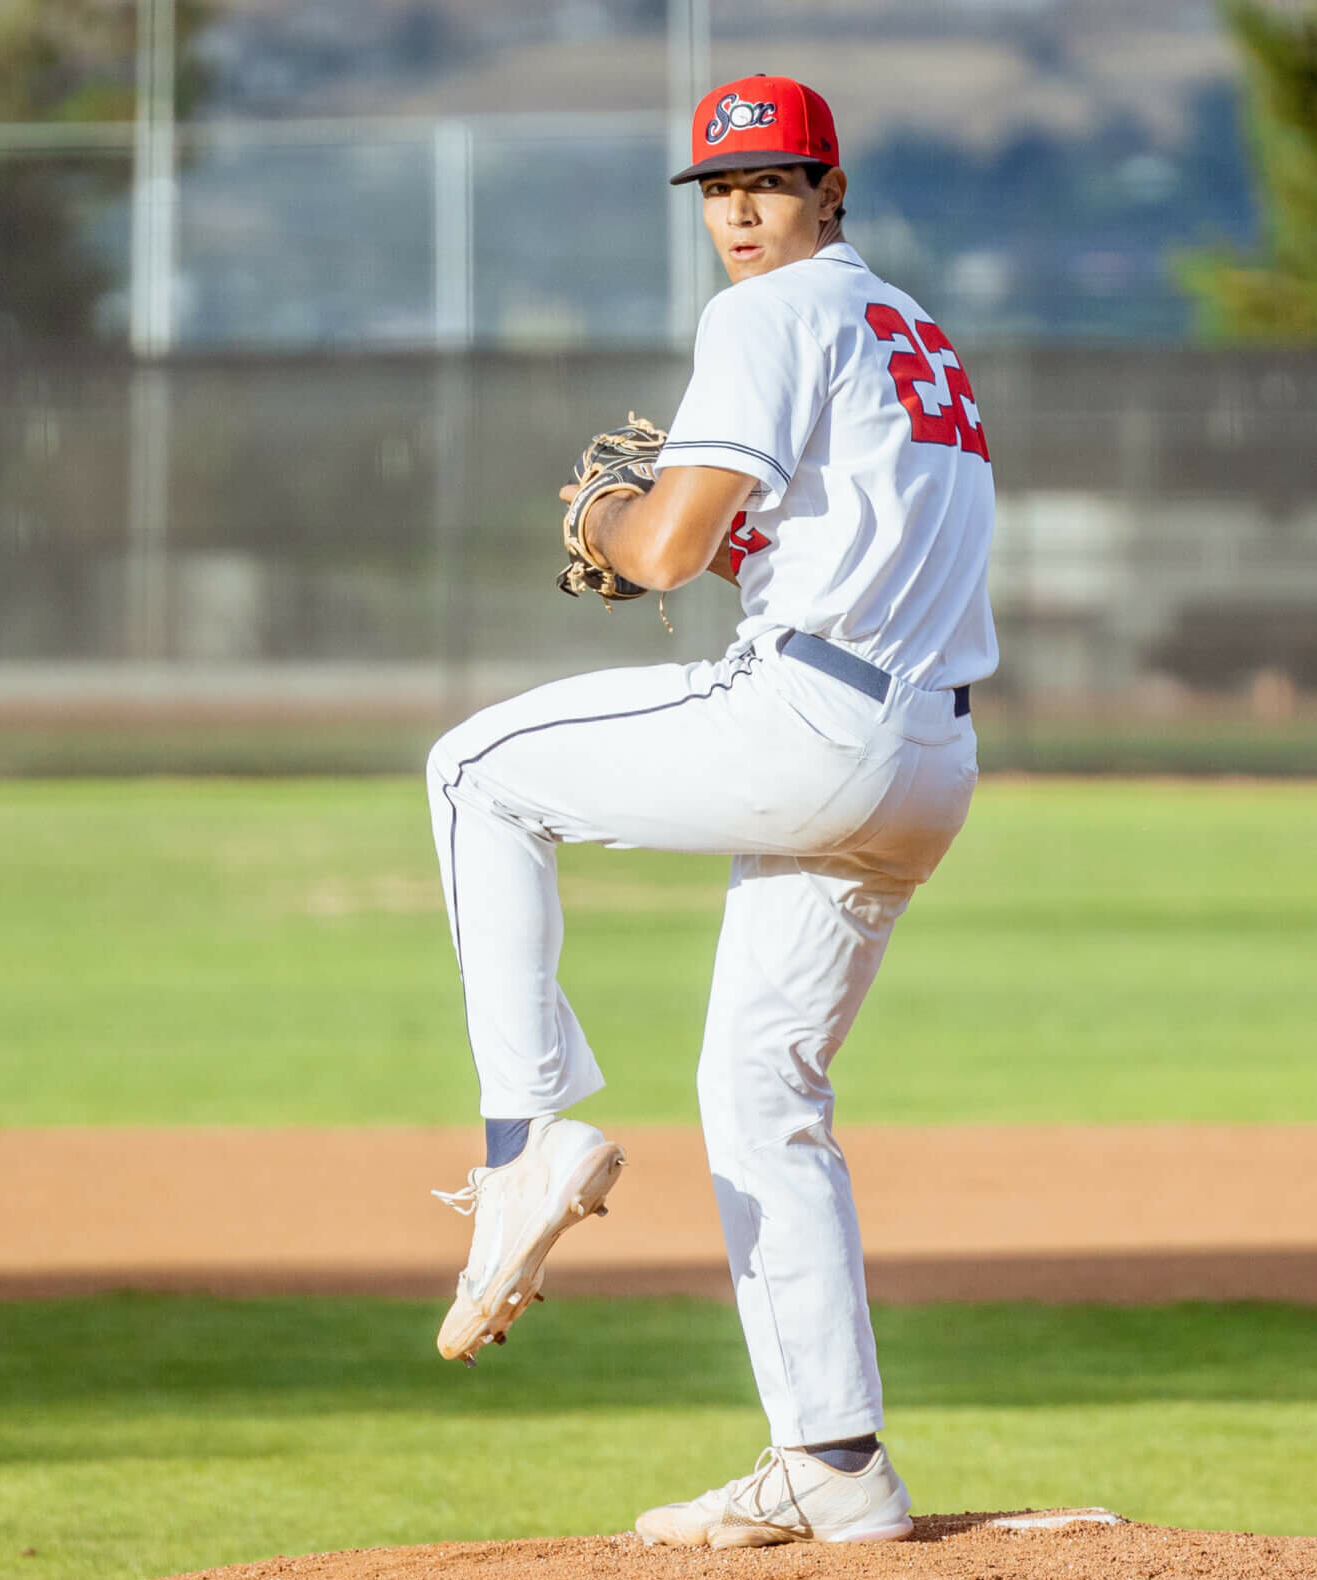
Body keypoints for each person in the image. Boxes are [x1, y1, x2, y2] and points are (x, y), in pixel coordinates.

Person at [422, 73, 996, 1549]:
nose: (744, 211)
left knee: (474, 771)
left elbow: (667, 550)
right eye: (721, 190)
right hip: (926, 757)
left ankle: (525, 1137)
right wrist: (703, 532)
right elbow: (815, 540)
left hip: (813, 722)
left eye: (774, 182)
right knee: (761, 1095)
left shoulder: (765, 317)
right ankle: (836, 1462)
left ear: (831, 191)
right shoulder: (912, 330)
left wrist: (607, 526)